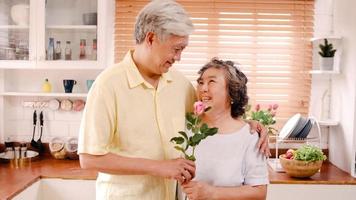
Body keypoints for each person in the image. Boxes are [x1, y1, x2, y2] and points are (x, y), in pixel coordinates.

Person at [78, 1, 269, 200]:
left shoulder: (180, 85)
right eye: (175, 49)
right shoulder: (108, 85)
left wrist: (250, 125)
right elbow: (89, 158)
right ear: (151, 38)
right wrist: (158, 167)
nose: (178, 57)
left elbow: (212, 114)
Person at [182, 58, 269, 200]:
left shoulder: (249, 136)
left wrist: (212, 193)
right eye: (201, 82)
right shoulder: (186, 128)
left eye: (212, 82)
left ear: (232, 92)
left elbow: (259, 192)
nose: (203, 88)